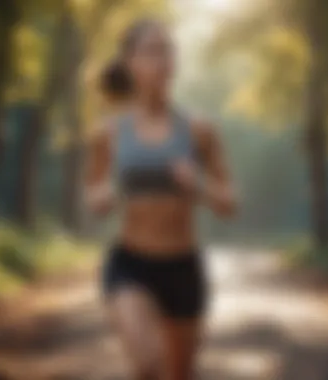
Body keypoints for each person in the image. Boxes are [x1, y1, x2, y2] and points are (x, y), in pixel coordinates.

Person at [85, 18, 237, 380]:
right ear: (129, 62)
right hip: (131, 265)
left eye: (168, 50)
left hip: (183, 267)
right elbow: (92, 192)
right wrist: (103, 195)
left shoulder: (200, 129)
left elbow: (230, 202)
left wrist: (196, 185)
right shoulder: (109, 133)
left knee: (179, 374)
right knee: (148, 364)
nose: (163, 59)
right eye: (152, 50)